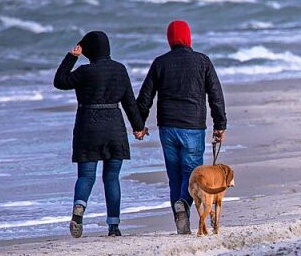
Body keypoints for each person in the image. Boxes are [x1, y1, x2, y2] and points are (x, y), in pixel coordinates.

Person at [136, 20, 227, 235]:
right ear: (188, 37)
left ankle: (181, 222)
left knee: (175, 175)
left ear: (170, 39)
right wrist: (219, 124)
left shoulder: (160, 63)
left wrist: (139, 124)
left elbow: (145, 97)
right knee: (191, 172)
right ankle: (183, 204)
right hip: (193, 127)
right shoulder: (202, 61)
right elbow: (216, 94)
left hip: (167, 127)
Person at [54, 31, 146, 238]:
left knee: (86, 175)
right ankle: (113, 226)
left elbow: (60, 81)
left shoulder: (85, 71)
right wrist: (138, 127)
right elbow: (129, 103)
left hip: (88, 127)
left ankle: (79, 207)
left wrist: (71, 57)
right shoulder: (120, 70)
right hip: (114, 128)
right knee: (112, 177)